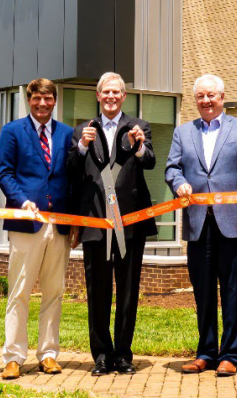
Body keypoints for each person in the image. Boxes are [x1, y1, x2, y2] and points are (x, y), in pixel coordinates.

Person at [165, 74, 237, 377]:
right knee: (203, 292)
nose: (206, 101)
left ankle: (230, 354)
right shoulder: (183, 132)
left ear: (221, 97)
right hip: (197, 224)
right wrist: (178, 183)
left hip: (234, 224)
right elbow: (172, 168)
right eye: (200, 97)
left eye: (211, 96)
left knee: (232, 290)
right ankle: (206, 352)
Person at [67, 72, 157, 376]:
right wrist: (80, 147)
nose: (111, 97)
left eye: (116, 92)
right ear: (97, 95)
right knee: (98, 291)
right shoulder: (82, 129)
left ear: (124, 96)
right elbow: (71, 170)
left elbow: (150, 162)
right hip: (95, 220)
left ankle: (123, 355)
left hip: (130, 221)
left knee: (128, 290)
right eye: (106, 92)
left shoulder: (138, 127)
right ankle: (102, 355)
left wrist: (139, 145)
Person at [0, 78, 74, 379]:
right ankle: (13, 356)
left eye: (48, 99)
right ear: (29, 100)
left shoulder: (67, 134)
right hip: (25, 223)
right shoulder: (12, 131)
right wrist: (22, 200)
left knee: (54, 292)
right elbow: (4, 172)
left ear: (55, 100)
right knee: (20, 291)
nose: (43, 104)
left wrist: (74, 221)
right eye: (37, 98)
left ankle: (49, 354)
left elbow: (72, 177)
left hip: (59, 224)